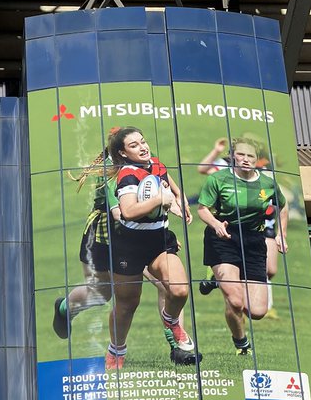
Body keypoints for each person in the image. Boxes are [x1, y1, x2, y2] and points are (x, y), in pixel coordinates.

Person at [51, 127, 199, 371]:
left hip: (142, 232)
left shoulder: (151, 163)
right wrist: (155, 210)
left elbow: (169, 185)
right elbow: (121, 213)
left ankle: (177, 347)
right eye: (133, 144)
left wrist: (175, 206)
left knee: (168, 286)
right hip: (108, 234)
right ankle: (66, 308)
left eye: (142, 141)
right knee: (103, 294)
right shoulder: (113, 174)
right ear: (119, 151)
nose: (141, 147)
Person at [195, 136, 288, 356]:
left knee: (257, 311)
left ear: (257, 159)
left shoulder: (267, 183)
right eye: (241, 155)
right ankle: (241, 342)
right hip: (224, 236)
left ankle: (217, 282)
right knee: (235, 301)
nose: (245, 160)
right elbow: (202, 208)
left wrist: (282, 235)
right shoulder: (218, 178)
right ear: (233, 156)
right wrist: (216, 224)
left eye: (250, 156)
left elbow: (282, 207)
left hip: (254, 241)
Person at [196, 134, 280, 296]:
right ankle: (221, 278)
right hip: (232, 222)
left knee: (271, 270)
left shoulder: (263, 170)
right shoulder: (227, 168)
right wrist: (216, 151)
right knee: (239, 272)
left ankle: (235, 286)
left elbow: (277, 196)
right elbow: (202, 169)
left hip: (263, 220)